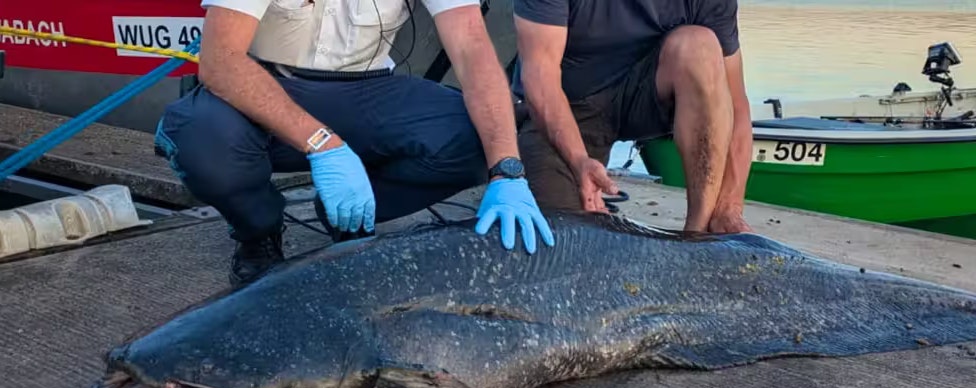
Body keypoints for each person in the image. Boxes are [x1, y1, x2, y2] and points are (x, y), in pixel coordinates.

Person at [154, 0, 555, 287]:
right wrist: (323, 144)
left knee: (477, 137)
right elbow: (221, 60)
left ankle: (350, 215)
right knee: (199, 136)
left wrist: (507, 169)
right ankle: (257, 231)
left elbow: (472, 48)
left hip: (369, 90)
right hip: (267, 86)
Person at [511, 0, 754, 234]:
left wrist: (729, 207)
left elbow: (736, 104)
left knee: (699, 45)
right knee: (561, 234)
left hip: (646, 93)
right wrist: (578, 160)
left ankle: (698, 233)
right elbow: (540, 79)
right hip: (568, 106)